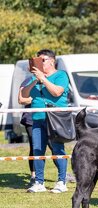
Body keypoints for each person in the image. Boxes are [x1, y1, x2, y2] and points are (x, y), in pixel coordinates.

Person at [21, 49, 69, 193]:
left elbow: (57, 92)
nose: (40, 63)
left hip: (55, 119)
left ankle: (61, 182)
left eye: (42, 60)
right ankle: (39, 182)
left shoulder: (61, 75)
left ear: (52, 61)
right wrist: (35, 80)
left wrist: (43, 79)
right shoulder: (35, 77)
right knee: (37, 150)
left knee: (57, 149)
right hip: (37, 119)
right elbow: (23, 96)